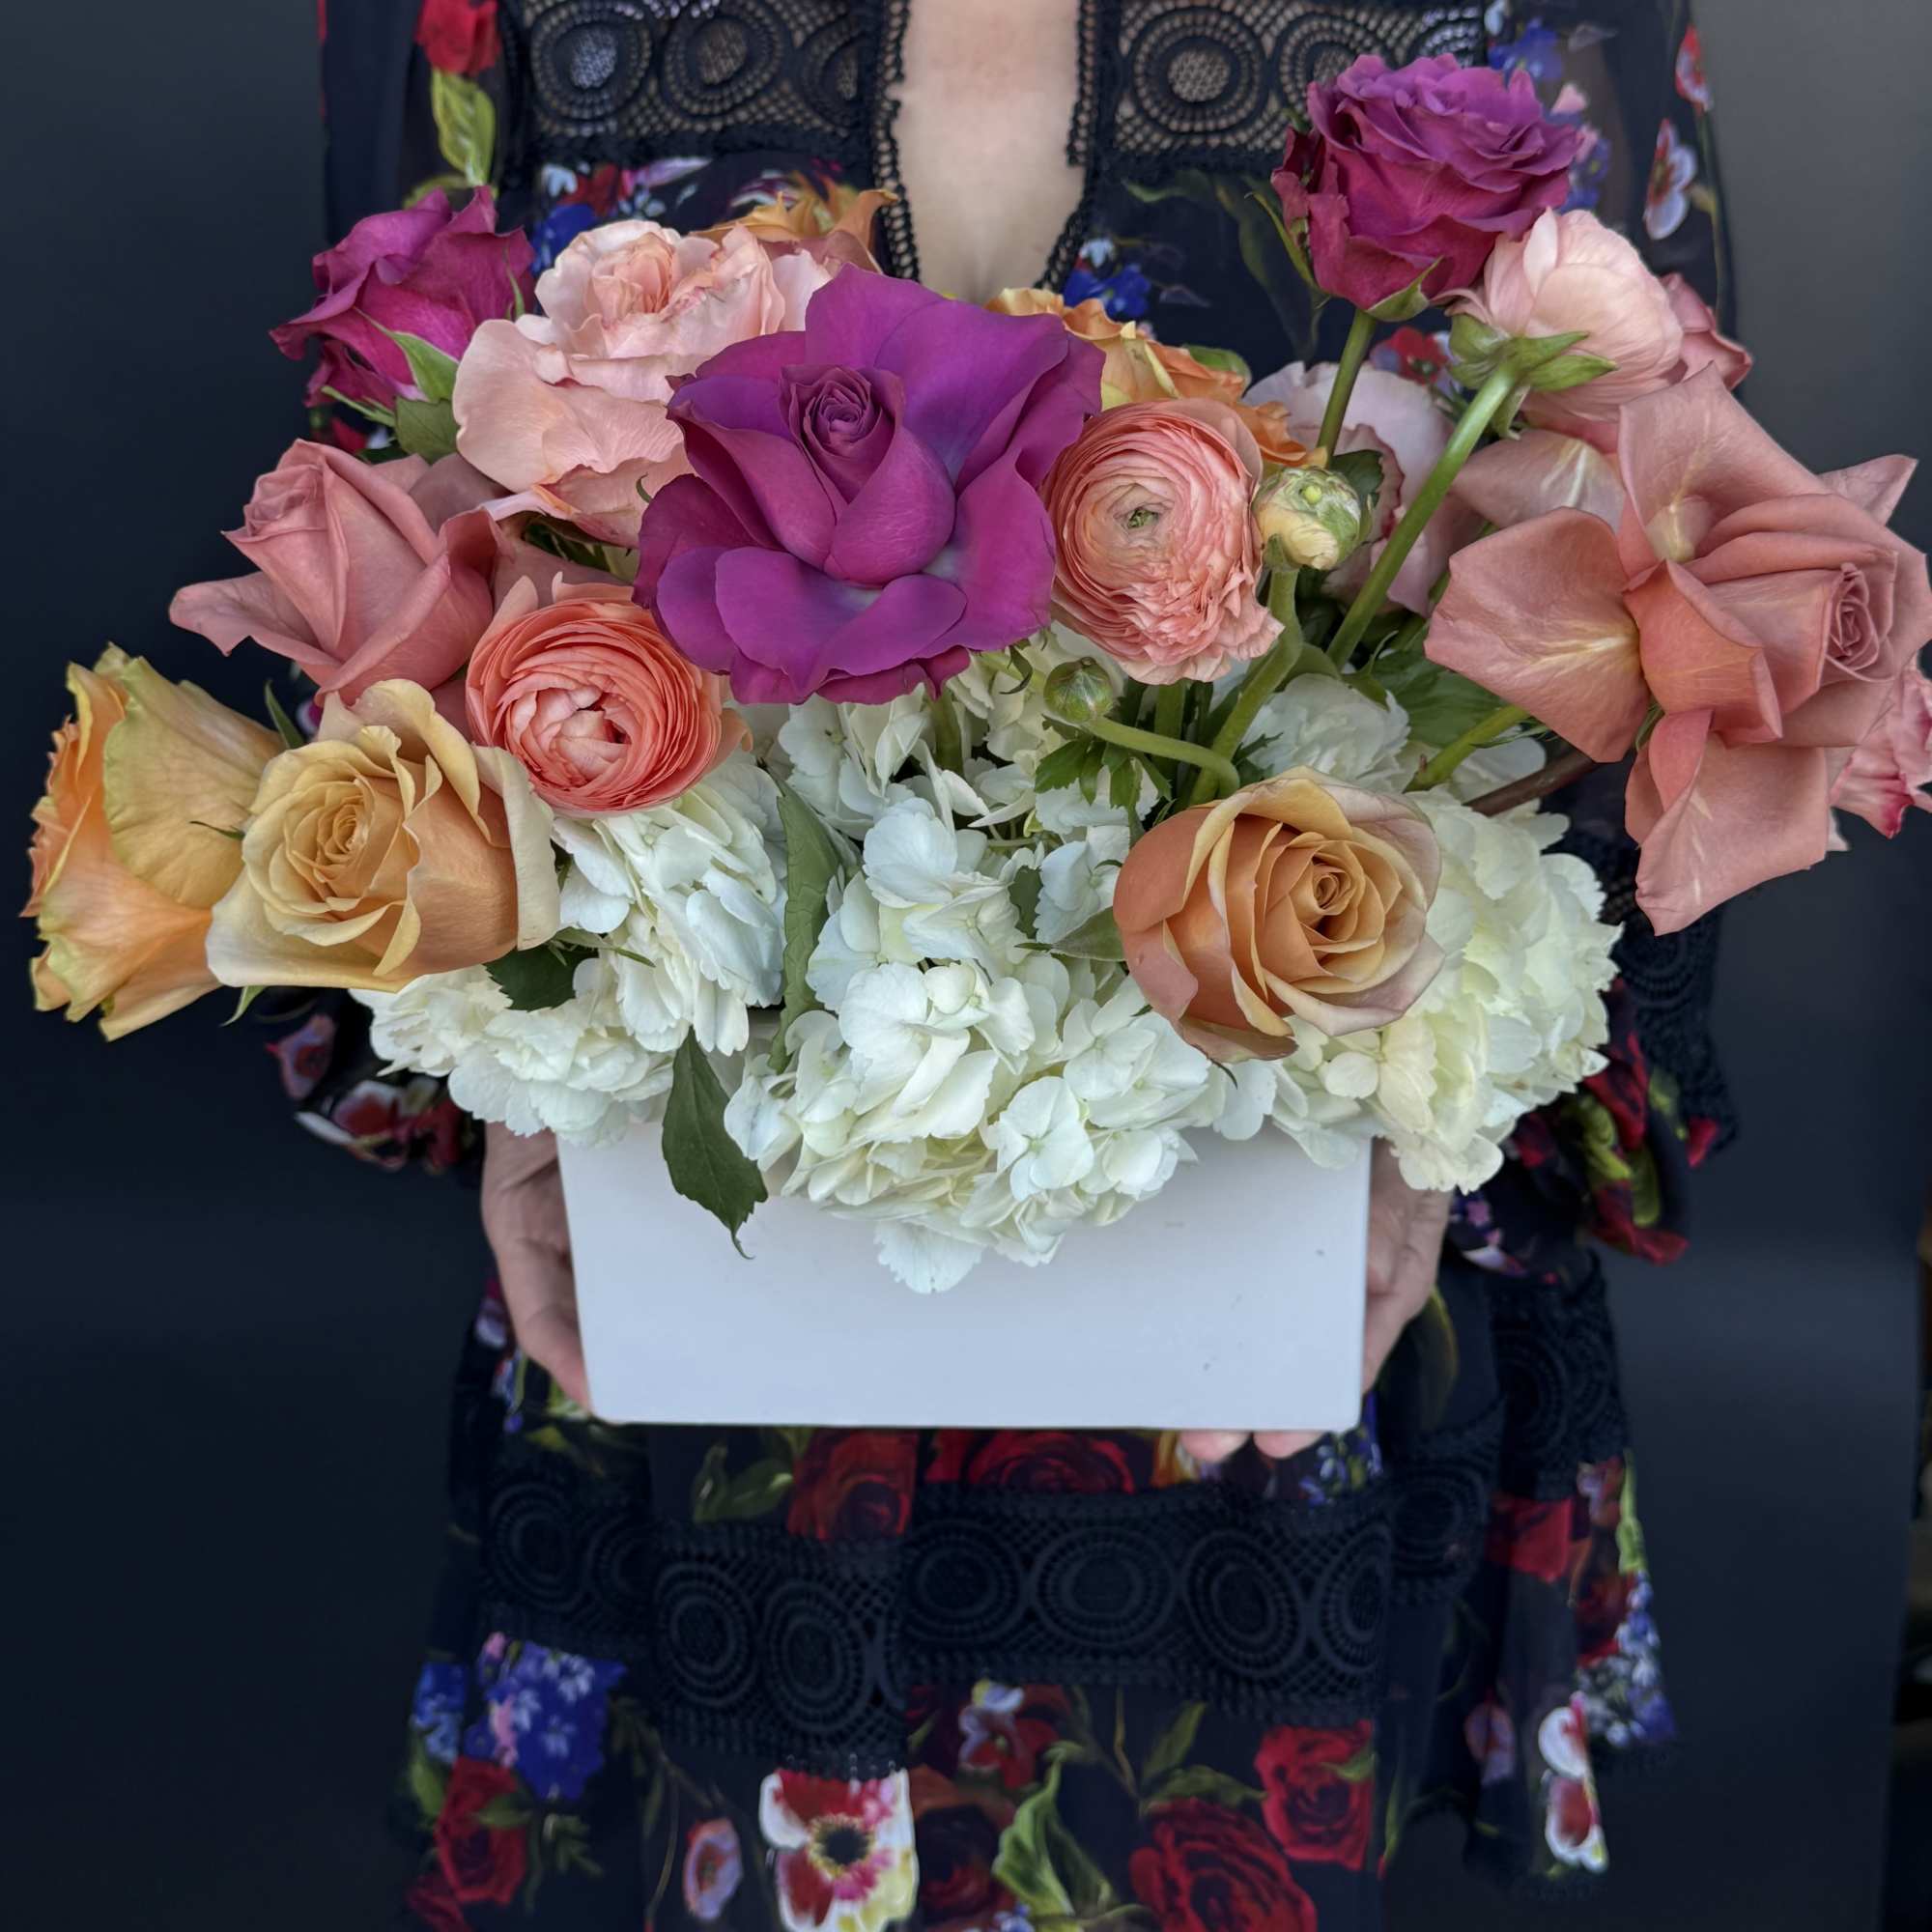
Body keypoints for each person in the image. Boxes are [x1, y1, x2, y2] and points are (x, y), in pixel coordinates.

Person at [284, 3, 1735, 1923]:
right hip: (715, 1293)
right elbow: (373, 575)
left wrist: (1471, 1114)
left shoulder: (1536, 25)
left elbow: (1693, 632)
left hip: (1280, 1333)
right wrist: (502, 1075)